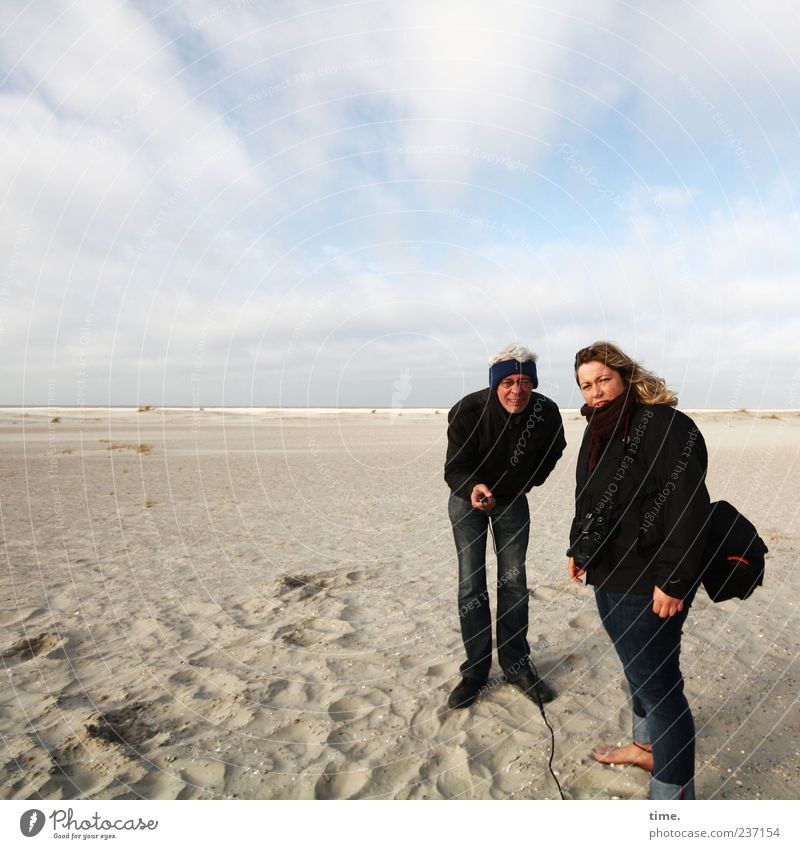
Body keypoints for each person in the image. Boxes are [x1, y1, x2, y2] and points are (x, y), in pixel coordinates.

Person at [567, 341, 710, 800]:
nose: (595, 393)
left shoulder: (667, 425)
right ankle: (646, 747)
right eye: (586, 385)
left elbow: (689, 507)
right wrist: (578, 547)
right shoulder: (598, 430)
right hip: (607, 575)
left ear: (626, 375)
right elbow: (586, 495)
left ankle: (673, 797)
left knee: (661, 687)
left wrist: (674, 579)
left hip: (649, 583)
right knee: (637, 673)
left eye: (602, 380)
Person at [444, 343, 566, 709]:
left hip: (512, 502)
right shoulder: (468, 410)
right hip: (469, 501)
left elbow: (555, 449)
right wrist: (474, 487)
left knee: (513, 582)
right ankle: (476, 671)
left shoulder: (546, 412)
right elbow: (454, 467)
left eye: (525, 382)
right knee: (471, 584)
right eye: (509, 382)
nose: (517, 390)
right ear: (496, 384)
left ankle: (516, 666)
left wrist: (528, 483)